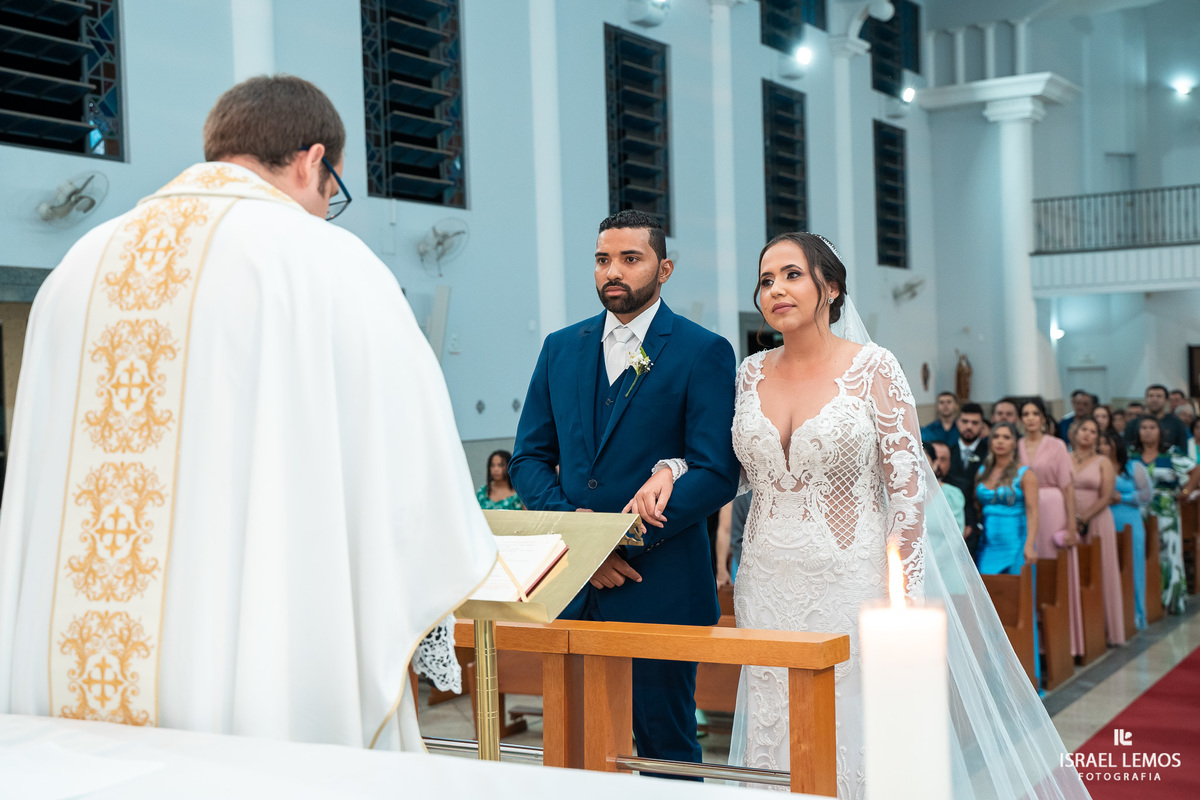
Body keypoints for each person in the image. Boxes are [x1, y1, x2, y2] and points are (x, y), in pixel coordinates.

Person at [0, 77, 497, 748]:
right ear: (312, 162)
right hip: (254, 667)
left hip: (66, 680)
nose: (325, 211)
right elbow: (415, 463)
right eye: (333, 194)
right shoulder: (323, 261)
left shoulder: (81, 264)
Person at [693, 232, 1087, 799]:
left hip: (851, 580)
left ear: (829, 287)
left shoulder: (874, 368)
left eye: (791, 274)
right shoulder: (749, 374)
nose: (775, 288)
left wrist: (903, 597)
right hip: (767, 580)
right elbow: (728, 470)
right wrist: (672, 470)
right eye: (765, 280)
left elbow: (908, 496)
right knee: (775, 719)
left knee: (854, 727)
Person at [509, 209, 739, 775]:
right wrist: (583, 545)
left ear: (664, 269)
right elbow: (529, 459)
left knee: (664, 749)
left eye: (629, 259)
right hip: (570, 584)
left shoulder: (700, 350)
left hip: (657, 585)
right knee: (573, 743)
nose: (613, 271)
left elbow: (715, 472)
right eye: (602, 259)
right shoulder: (560, 348)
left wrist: (620, 543)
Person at [1019, 397, 1084, 657]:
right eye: (1025, 413)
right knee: (1032, 570)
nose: (1030, 418)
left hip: (1053, 508)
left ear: (1044, 418)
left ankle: (1064, 641)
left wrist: (1071, 527)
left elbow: (1068, 489)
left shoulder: (1057, 445)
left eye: (1035, 413)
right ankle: (1037, 644)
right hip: (1025, 511)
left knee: (1054, 572)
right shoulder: (1018, 445)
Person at [1133, 417, 1200, 614]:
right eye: (1143, 427)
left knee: (1168, 553)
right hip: (1138, 508)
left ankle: (1171, 599)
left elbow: (1196, 470)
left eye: (1152, 427)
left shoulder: (1170, 453)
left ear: (1160, 431)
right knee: (1143, 552)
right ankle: (1148, 600)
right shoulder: (1131, 454)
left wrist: (1186, 491)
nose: (1147, 431)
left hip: (1165, 507)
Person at [1069, 419, 1125, 645]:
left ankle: (1106, 629)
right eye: (1084, 429)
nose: (1087, 434)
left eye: (1093, 432)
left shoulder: (1103, 462)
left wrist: (1083, 517)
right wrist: (1071, 518)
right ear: (1075, 432)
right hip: (1068, 519)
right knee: (1074, 572)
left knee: (1100, 570)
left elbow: (1106, 496)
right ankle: (1078, 629)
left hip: (1098, 519)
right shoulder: (1065, 458)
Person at [973, 422, 1039, 575]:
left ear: (1014, 443)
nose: (1000, 441)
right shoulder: (983, 471)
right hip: (988, 543)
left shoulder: (1025, 474)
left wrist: (1029, 545)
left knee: (1017, 591)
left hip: (1016, 542)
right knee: (988, 589)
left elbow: (1033, 511)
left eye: (1006, 437)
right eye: (996, 436)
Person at [1100, 430, 1150, 630]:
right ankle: (1113, 617)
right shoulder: (1096, 467)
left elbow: (1147, 495)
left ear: (1115, 445)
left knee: (1134, 566)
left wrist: (1123, 498)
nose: (1101, 446)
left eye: (1105, 442)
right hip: (1105, 521)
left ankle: (1137, 614)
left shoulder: (1133, 467)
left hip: (1129, 521)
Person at [1125, 385, 1188, 451]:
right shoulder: (1133, 424)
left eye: (1159, 396)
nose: (1154, 399)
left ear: (1166, 400)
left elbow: (1182, 451)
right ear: (1146, 399)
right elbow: (1127, 449)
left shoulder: (1177, 423)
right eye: (1151, 396)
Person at [926, 441, 968, 536]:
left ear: (934, 463)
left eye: (924, 460)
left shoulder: (952, 494)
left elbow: (954, 534)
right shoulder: (902, 493)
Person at [952, 403, 989, 477]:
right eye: (965, 421)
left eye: (975, 423)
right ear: (957, 423)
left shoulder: (989, 452)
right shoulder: (948, 450)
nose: (969, 426)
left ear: (982, 425)